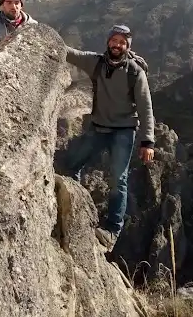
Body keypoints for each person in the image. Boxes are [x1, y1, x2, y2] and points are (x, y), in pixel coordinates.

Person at [63, 24, 155, 249]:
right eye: (114, 40)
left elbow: (145, 108)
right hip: (98, 127)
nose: (117, 45)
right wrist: (31, 27)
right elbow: (69, 52)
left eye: (122, 42)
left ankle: (112, 231)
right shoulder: (95, 62)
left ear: (127, 46)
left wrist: (147, 141)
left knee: (118, 180)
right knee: (73, 164)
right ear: (108, 42)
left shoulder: (135, 72)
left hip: (123, 130)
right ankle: (75, 208)